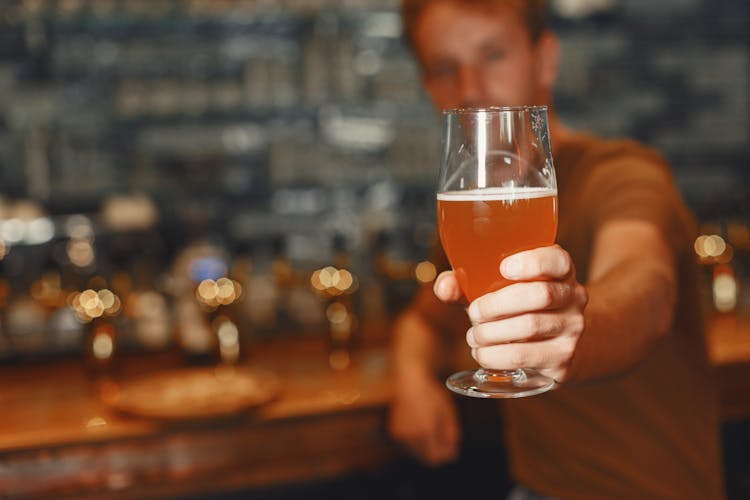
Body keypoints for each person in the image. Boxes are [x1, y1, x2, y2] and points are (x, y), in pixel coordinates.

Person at [388, 1, 726, 498]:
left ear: (544, 59)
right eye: (444, 68)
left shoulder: (623, 173)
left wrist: (575, 326)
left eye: (493, 55)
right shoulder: (476, 213)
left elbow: (646, 292)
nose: (471, 88)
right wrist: (410, 377)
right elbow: (425, 319)